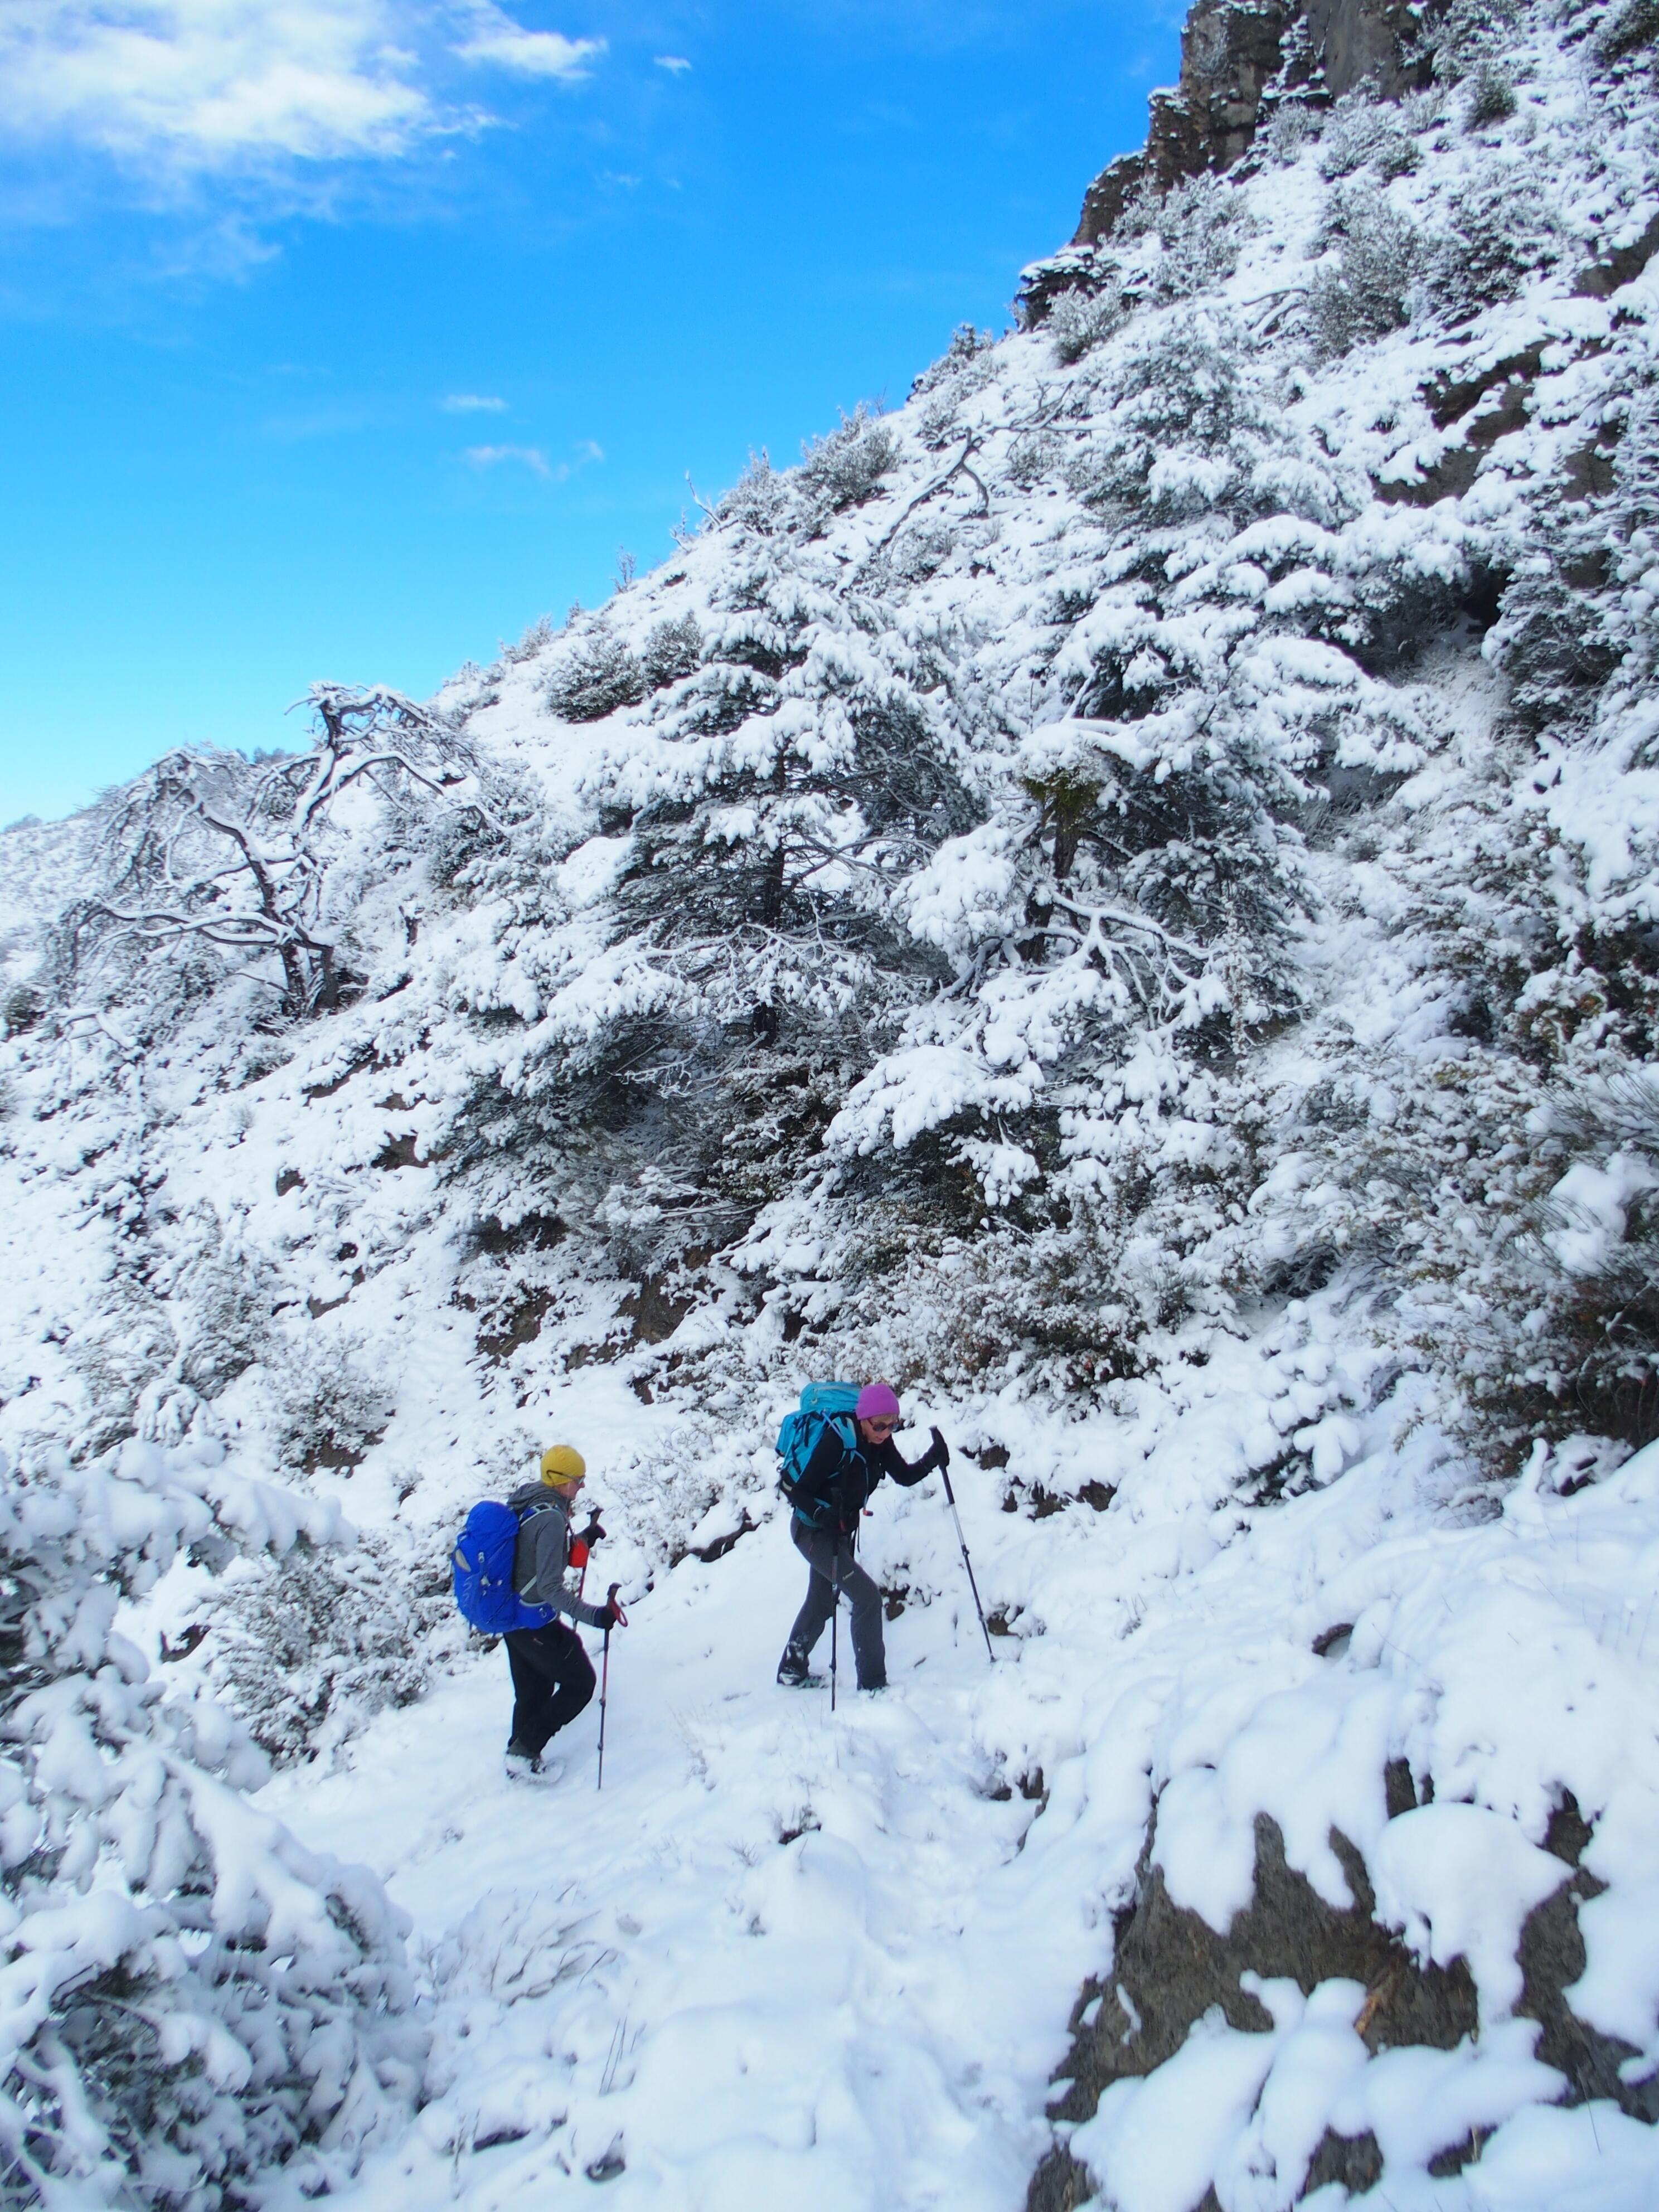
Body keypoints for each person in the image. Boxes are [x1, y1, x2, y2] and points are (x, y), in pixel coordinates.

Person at [777, 1382, 950, 1692]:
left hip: (840, 1533)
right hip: (812, 1533)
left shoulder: (880, 1443)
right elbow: (797, 1490)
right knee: (867, 1597)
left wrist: (931, 1459)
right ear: (863, 1418)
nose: (885, 1431)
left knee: (820, 1602)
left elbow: (905, 1476)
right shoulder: (836, 1440)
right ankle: (873, 1685)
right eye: (879, 1425)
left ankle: (791, 1670)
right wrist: (821, 1515)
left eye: (892, 1424)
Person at [502, 1444, 622, 1782]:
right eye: (577, 1480)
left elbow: (533, 1557)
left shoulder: (528, 1504)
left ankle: (520, 1751)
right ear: (558, 1480)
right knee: (581, 1683)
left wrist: (582, 1538)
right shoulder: (551, 1518)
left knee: (533, 1691)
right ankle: (523, 1752)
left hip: (513, 1619)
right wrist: (597, 1616)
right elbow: (550, 1588)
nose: (581, 1486)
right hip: (535, 1621)